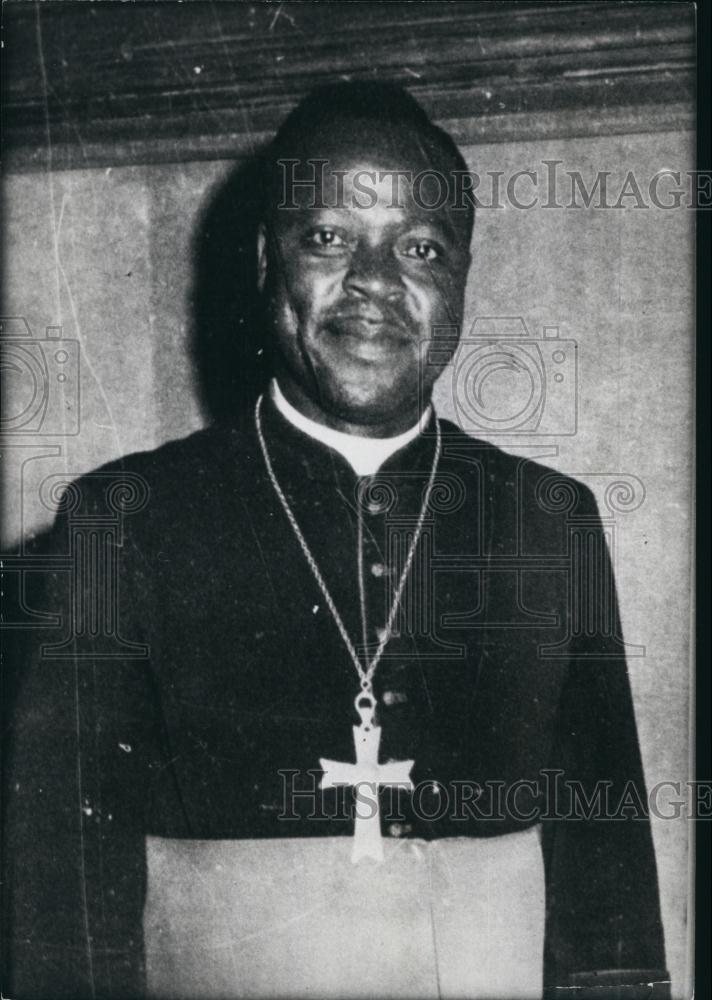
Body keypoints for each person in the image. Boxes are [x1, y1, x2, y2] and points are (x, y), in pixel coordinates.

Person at [4, 82, 669, 999]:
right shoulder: (124, 520)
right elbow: (60, 906)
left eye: (423, 248)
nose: (376, 281)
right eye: (328, 237)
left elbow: (610, 898)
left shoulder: (550, 519)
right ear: (263, 260)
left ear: (462, 283)